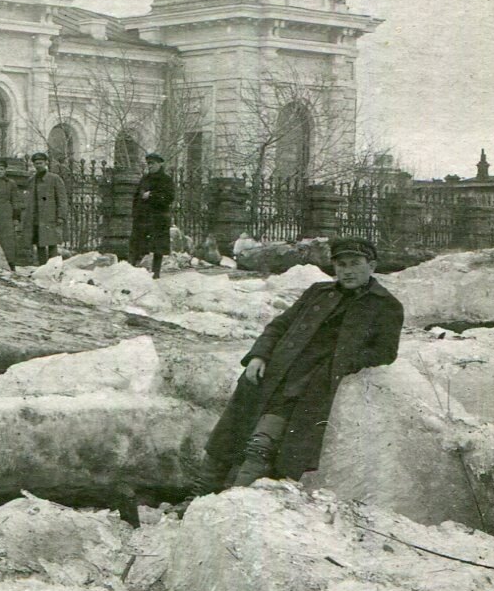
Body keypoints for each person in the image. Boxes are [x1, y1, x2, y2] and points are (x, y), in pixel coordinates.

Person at [197, 237, 404, 493]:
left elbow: (385, 352)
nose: (347, 271)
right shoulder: (318, 292)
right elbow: (279, 325)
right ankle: (199, 495)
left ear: (371, 266)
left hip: (312, 385)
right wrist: (258, 356)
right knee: (228, 437)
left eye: (355, 264)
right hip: (275, 372)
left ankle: (234, 500)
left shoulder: (386, 305)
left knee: (262, 445)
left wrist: (340, 363)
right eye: (341, 265)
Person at [130, 152, 176, 277]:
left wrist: (151, 195)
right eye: (148, 163)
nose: (150, 166)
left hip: (158, 218)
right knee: (138, 244)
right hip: (143, 217)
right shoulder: (145, 179)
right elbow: (136, 197)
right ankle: (134, 272)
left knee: (158, 248)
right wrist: (135, 213)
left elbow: (169, 197)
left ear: (160, 164)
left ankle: (156, 273)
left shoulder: (166, 180)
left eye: (152, 163)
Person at [26, 150, 68, 262]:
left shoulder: (55, 179)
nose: (38, 166)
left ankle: (53, 267)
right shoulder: (32, 180)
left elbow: (62, 199)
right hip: (37, 218)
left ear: (46, 163)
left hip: (51, 217)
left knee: (52, 244)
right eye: (36, 163)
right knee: (39, 244)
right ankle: (42, 266)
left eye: (41, 163)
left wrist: (61, 216)